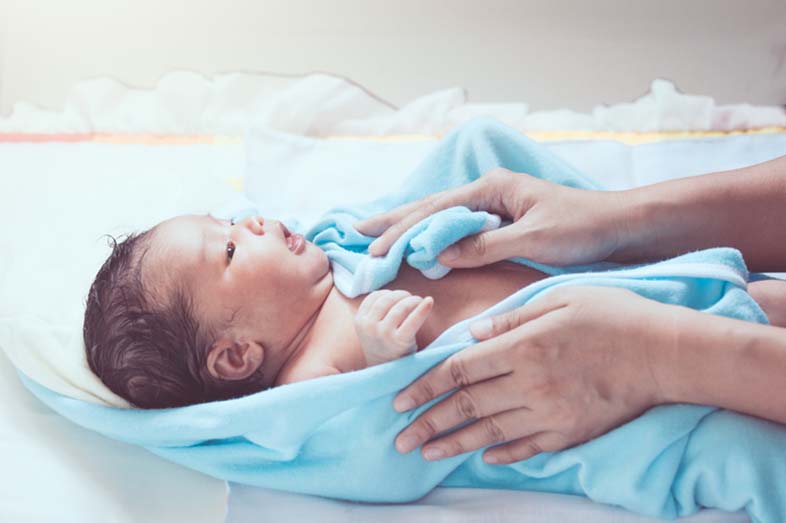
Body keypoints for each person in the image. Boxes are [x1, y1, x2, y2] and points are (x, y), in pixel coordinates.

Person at [352, 154, 786, 465]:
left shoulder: (339, 250)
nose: (282, 223)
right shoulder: (305, 377)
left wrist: (657, 356)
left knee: (758, 303)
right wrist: (619, 221)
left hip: (608, 324)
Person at [83, 212, 558, 408]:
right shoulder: (308, 375)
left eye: (228, 221)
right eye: (229, 249)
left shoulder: (328, 252)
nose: (252, 222)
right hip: (552, 326)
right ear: (236, 356)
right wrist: (383, 359)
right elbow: (374, 424)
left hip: (546, 256)